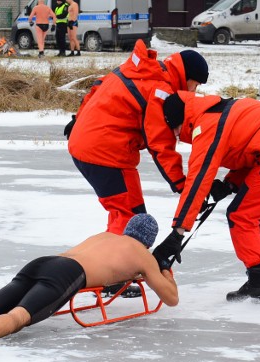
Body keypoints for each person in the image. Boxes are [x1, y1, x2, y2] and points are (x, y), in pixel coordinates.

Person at [0, 214, 178, 353]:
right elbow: (170, 298)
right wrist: (163, 270)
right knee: (18, 316)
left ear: (128, 229)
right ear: (149, 241)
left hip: (44, 262)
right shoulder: (142, 254)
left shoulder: (104, 236)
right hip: (68, 273)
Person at [66, 40, 208, 295]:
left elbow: (100, 84)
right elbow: (160, 142)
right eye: (195, 85)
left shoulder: (142, 68)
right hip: (106, 151)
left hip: (88, 144)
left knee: (124, 213)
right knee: (130, 216)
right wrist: (180, 182)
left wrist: (78, 119)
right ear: (187, 77)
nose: (194, 92)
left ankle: (109, 270)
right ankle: (113, 277)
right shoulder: (161, 89)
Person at [153, 91, 260, 302]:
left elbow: (198, 181)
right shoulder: (218, 110)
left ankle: (258, 282)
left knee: (241, 215)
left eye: (174, 130)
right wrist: (230, 183)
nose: (176, 137)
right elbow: (250, 148)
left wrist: (177, 234)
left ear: (179, 121)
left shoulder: (205, 126)